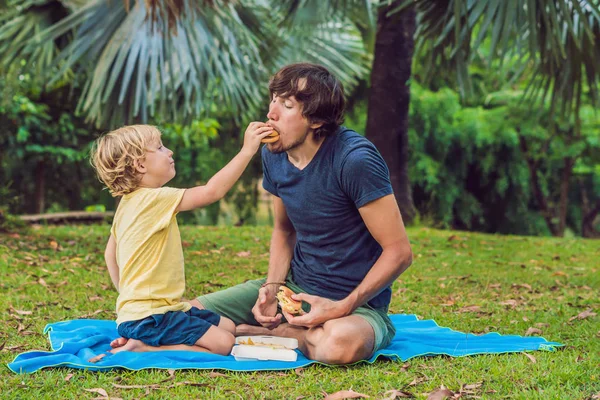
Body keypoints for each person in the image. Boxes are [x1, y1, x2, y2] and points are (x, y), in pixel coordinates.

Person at [188, 63, 413, 364]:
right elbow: (285, 230)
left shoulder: (354, 160)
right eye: (273, 100)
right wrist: (271, 290)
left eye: (287, 105)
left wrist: (342, 307)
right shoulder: (274, 155)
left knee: (339, 345)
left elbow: (399, 252)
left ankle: (268, 334)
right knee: (186, 315)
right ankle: (293, 332)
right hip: (292, 294)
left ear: (316, 119)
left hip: (355, 306)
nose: (271, 113)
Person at [90, 123, 274, 355]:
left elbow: (110, 255)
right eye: (159, 148)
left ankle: (143, 337)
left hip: (154, 312)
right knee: (224, 344)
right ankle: (143, 347)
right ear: (140, 164)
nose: (169, 152)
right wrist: (247, 150)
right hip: (152, 317)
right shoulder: (154, 198)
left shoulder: (127, 205)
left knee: (228, 326)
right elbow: (211, 192)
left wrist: (129, 300)